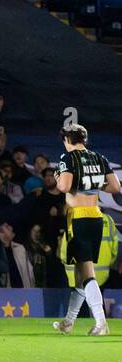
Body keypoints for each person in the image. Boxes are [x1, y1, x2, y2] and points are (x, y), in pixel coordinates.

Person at [51, 123, 120, 336]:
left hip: (79, 217)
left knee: (86, 270)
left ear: (67, 140)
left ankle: (101, 322)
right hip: (96, 216)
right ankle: (68, 322)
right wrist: (93, 183)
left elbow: (63, 187)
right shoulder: (100, 158)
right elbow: (116, 188)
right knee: (81, 274)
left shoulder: (67, 158)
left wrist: (57, 178)